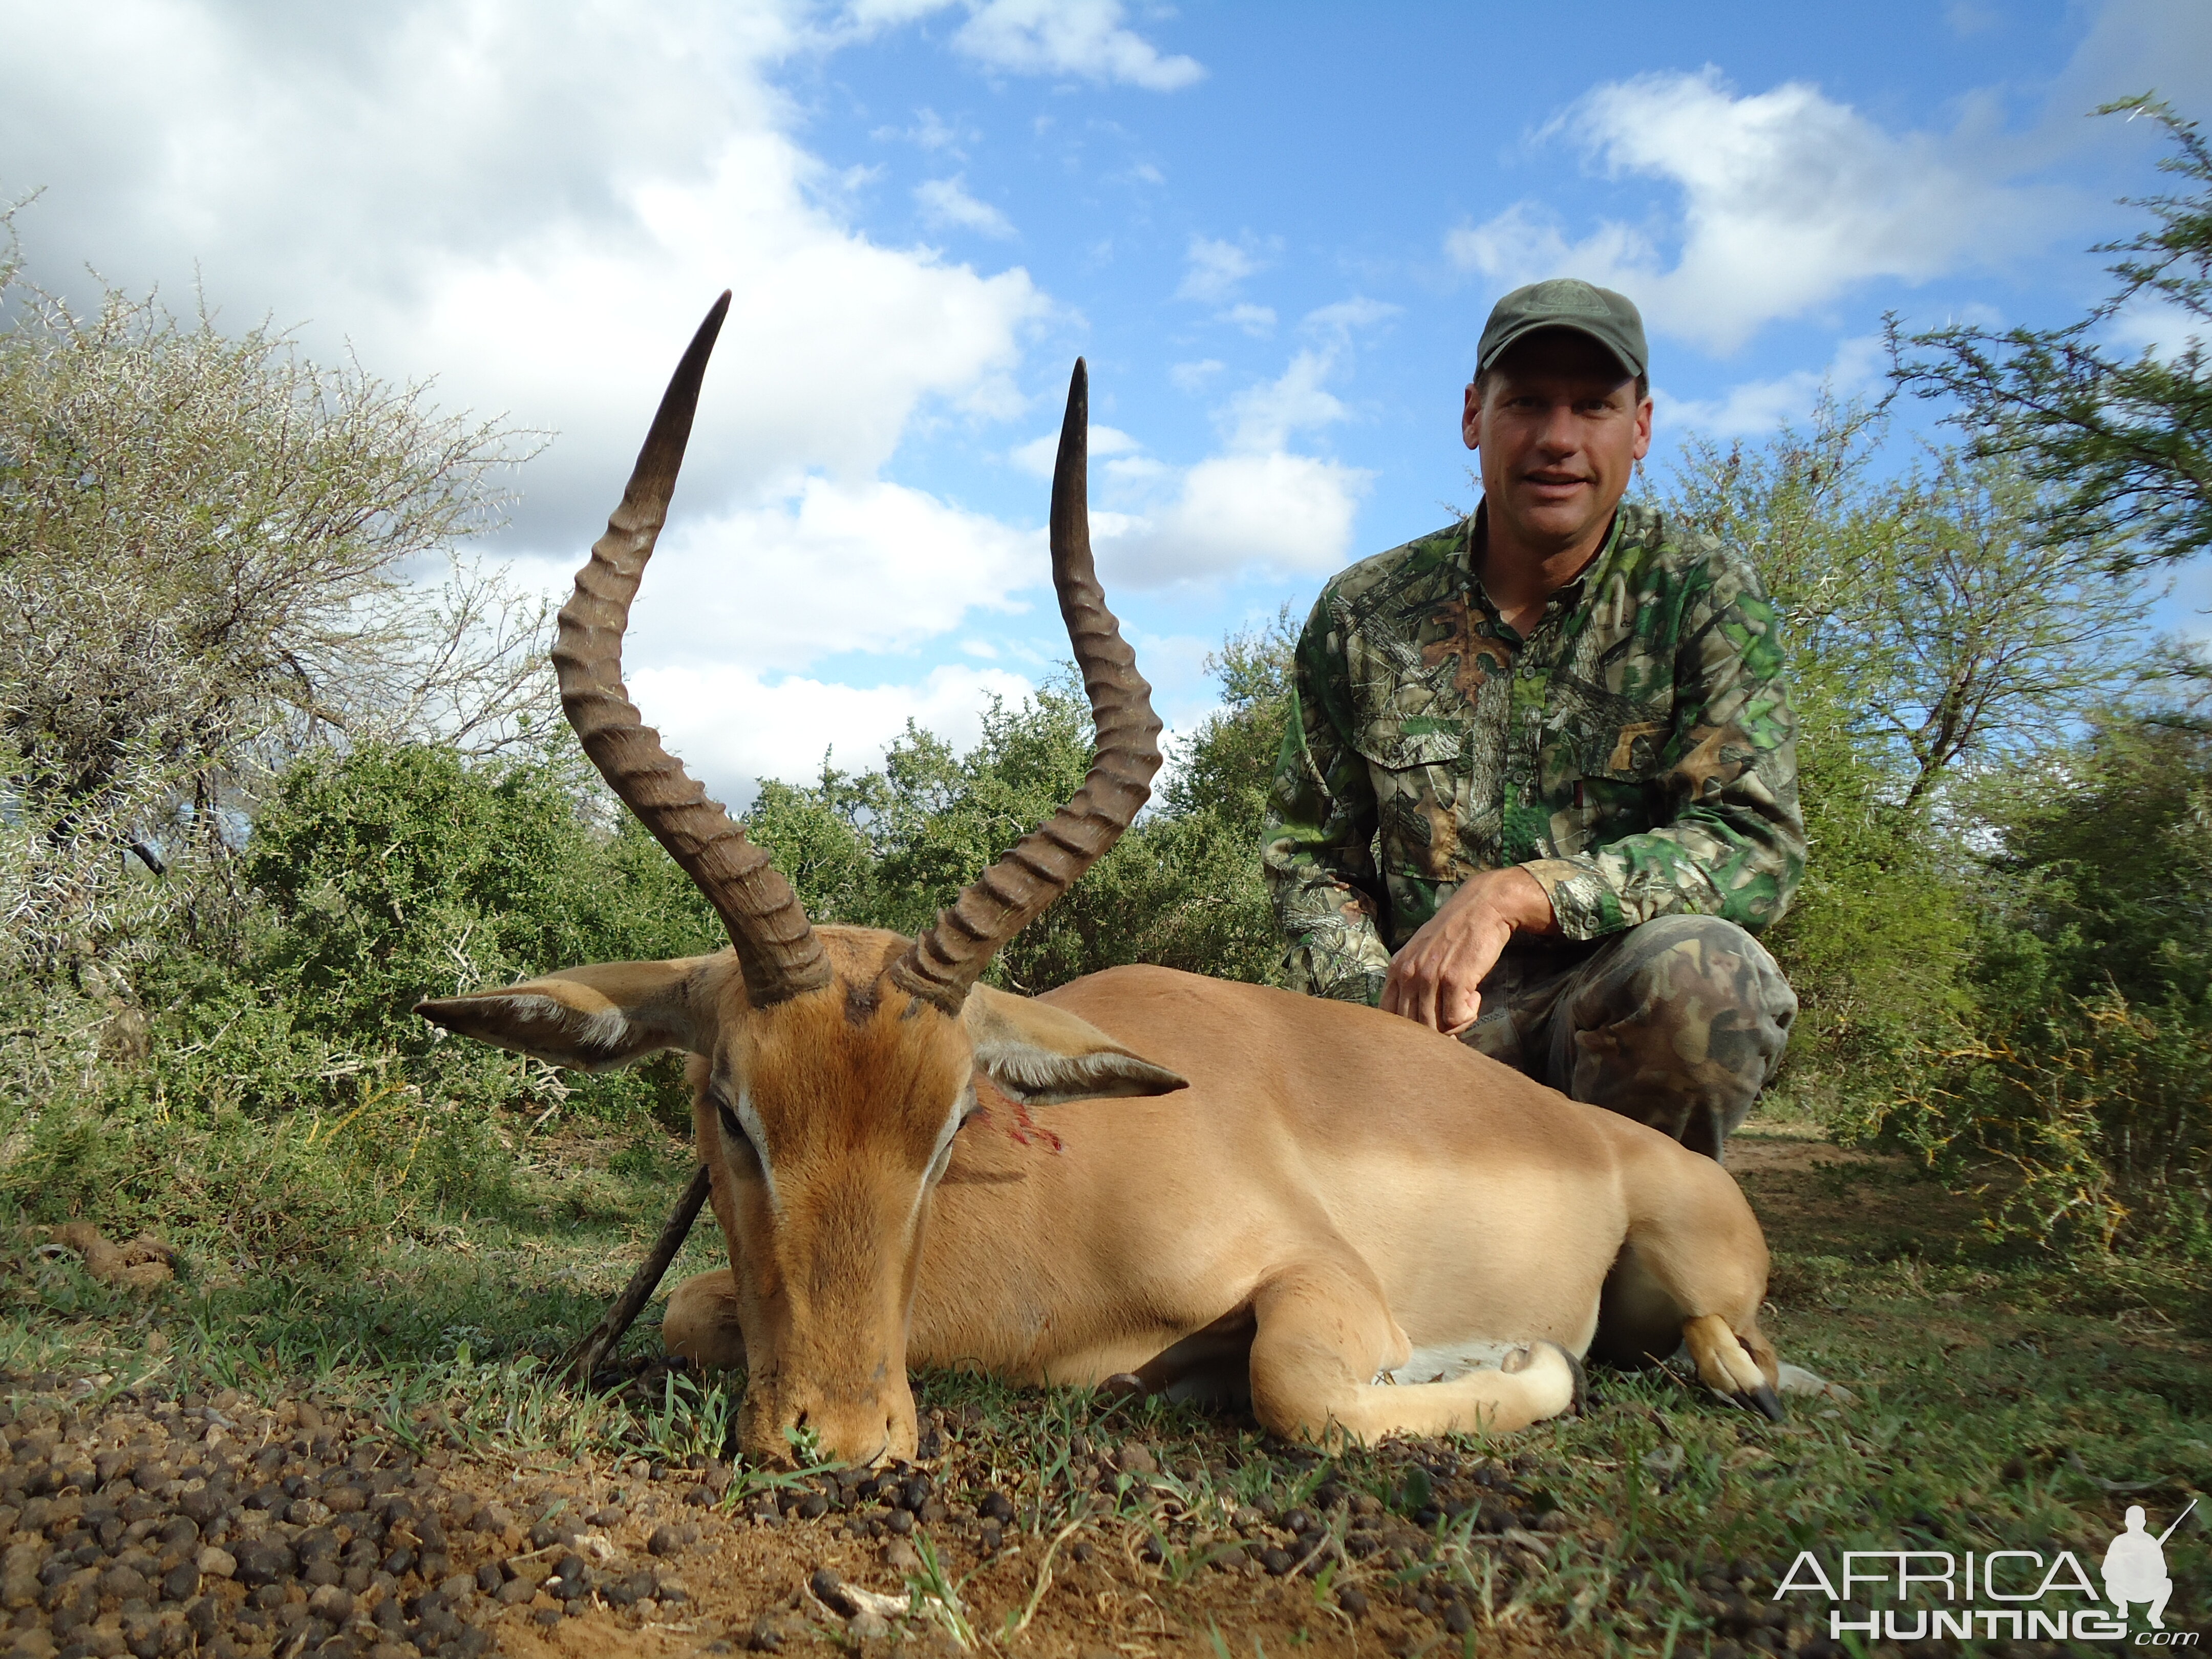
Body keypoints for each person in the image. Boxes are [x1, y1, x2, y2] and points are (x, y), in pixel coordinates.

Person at [1260, 278, 1804, 1161]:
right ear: (1475, 415)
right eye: (1526, 404)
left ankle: (1635, 1252)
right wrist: (1375, 1020)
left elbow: (1756, 845)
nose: (1558, 440)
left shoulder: (1701, 592)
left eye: (1593, 406)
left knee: (1710, 977)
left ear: (1641, 428)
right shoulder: (1363, 611)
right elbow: (1308, 854)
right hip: (1412, 1033)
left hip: (1611, 1018)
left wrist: (1522, 894)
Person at [2102, 1506, 2175, 1629]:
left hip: (2146, 1589)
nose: (2136, 1524)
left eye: (2139, 1521)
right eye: (2133, 1521)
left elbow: (2163, 1571)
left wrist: (2148, 1564)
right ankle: (2122, 1607)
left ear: (2144, 1522)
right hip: (2124, 1589)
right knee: (2110, 1584)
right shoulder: (2119, 1541)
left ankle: (2154, 1615)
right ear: (2127, 1523)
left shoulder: (2151, 1542)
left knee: (2167, 1584)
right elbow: (2107, 1569)